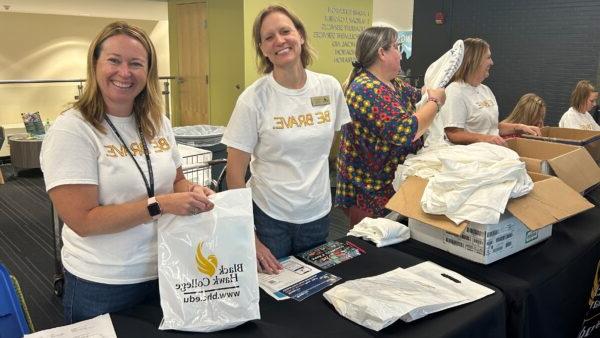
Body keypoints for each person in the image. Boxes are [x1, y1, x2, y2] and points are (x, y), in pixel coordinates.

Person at [40, 21, 215, 323]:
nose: (125, 72)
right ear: (95, 64)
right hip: (104, 283)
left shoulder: (157, 121)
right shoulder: (72, 130)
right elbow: (82, 220)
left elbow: (176, 179)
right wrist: (159, 205)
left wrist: (192, 191)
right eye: (114, 60)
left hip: (168, 268)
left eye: (136, 63)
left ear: (148, 73)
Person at [221, 5, 350, 274]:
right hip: (269, 217)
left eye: (285, 31)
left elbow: (332, 147)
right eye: (269, 37)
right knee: (272, 298)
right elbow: (234, 176)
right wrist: (250, 237)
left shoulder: (329, 87)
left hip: (318, 214)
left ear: (300, 35)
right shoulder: (253, 100)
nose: (279, 41)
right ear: (263, 49)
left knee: (313, 293)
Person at [335, 26, 446, 226]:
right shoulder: (366, 89)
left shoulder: (393, 84)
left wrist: (428, 94)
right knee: (370, 246)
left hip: (388, 185)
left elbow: (418, 97)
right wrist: (435, 103)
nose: (401, 55)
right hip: (369, 190)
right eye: (396, 47)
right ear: (382, 53)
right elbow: (405, 132)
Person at [426, 38, 540, 146]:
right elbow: (453, 134)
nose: (492, 62)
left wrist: (519, 127)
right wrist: (485, 138)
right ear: (474, 60)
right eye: (488, 57)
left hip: (488, 150)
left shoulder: (486, 90)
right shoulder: (455, 91)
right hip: (470, 154)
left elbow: (492, 128)